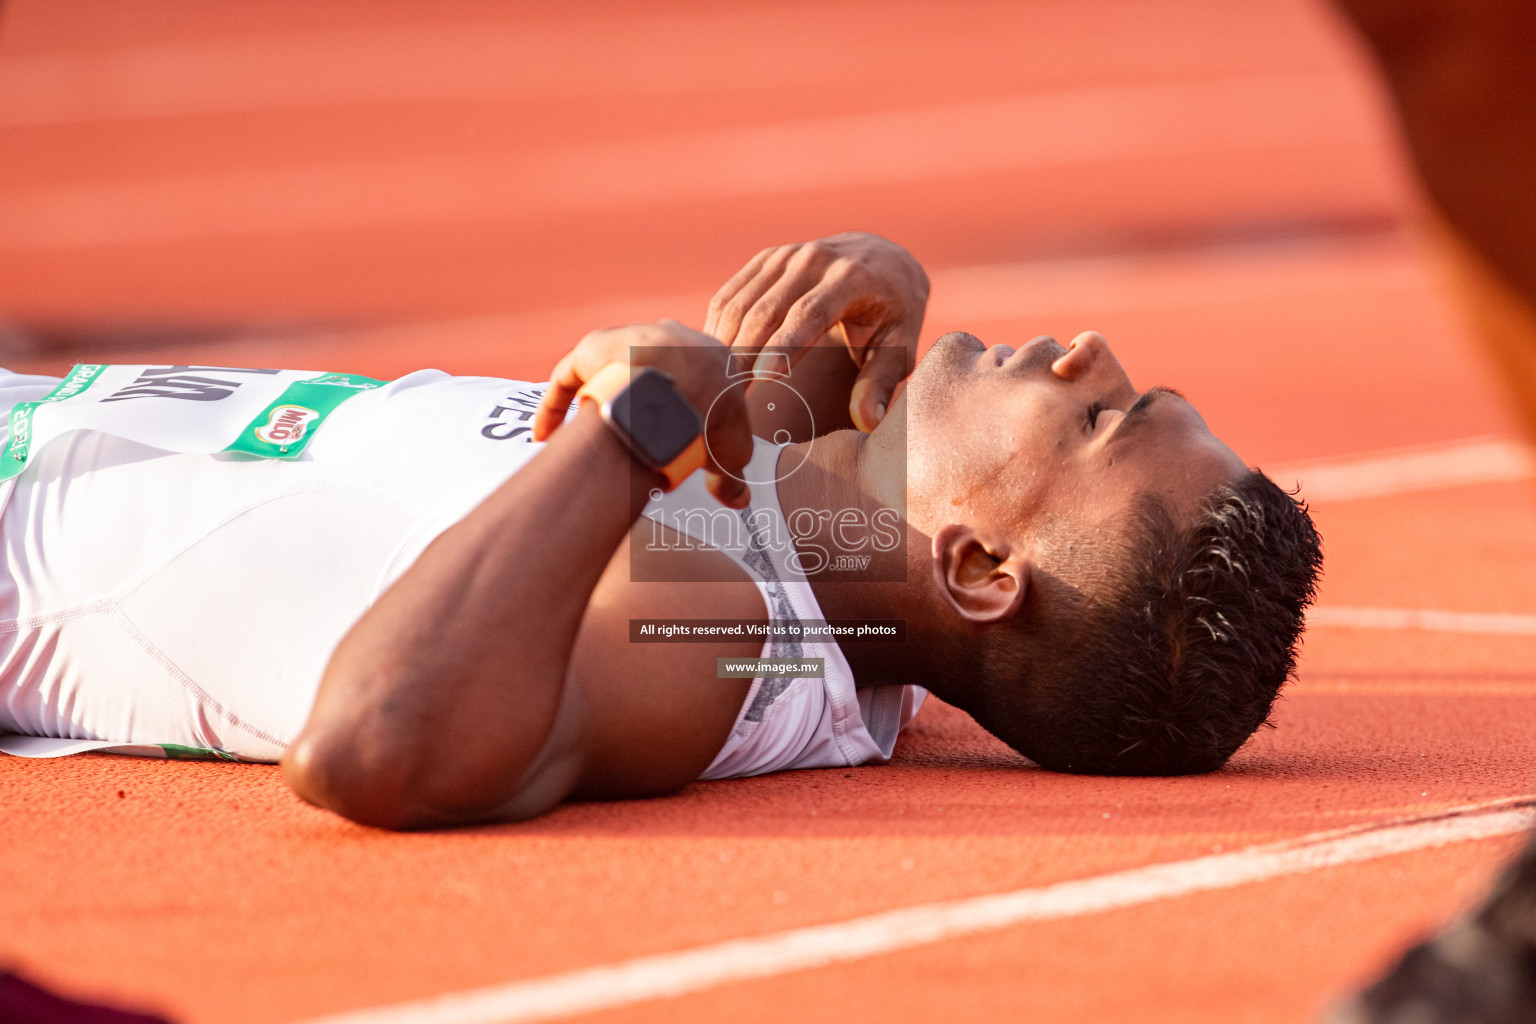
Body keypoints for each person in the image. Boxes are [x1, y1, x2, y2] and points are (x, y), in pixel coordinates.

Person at [0, 232, 1321, 831]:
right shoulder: (808, 565)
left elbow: (375, 748)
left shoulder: (708, 651)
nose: (1088, 350)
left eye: (1103, 419)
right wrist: (846, 331)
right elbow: (767, 486)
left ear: (978, 569)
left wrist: (633, 429)